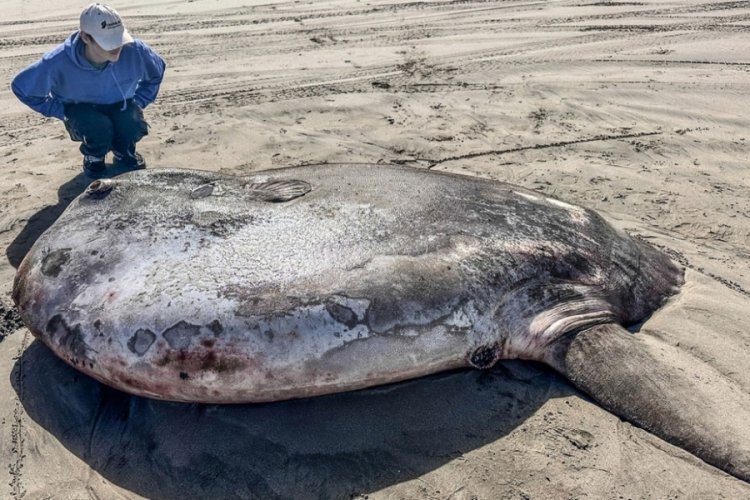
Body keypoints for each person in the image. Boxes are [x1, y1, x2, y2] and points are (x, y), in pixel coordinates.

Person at [11, 3, 166, 178]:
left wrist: (140, 101)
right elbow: (22, 88)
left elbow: (157, 71)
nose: (117, 47)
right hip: (81, 111)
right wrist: (62, 111)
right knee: (97, 127)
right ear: (86, 37)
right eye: (108, 42)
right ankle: (94, 158)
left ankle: (124, 152)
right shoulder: (57, 61)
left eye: (119, 39)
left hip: (121, 105)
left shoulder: (136, 50)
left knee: (131, 122)